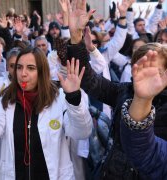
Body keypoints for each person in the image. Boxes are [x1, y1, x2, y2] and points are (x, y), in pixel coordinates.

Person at [63, 0, 167, 178]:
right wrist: (75, 36)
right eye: (140, 68)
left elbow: (150, 154)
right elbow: (89, 79)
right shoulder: (125, 91)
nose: (146, 76)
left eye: (154, 71)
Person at [0, 47, 93, 179]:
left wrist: (74, 98)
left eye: (30, 68)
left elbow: (82, 132)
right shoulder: (6, 98)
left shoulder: (59, 99)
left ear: (42, 71)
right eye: (19, 67)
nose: (23, 73)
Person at [120, 48, 167, 179]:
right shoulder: (125, 90)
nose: (149, 75)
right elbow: (145, 153)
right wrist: (142, 100)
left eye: (156, 72)